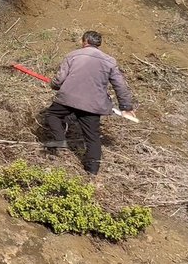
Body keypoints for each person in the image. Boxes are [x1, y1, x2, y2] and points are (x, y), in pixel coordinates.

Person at [44, 30, 137, 176]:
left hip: (69, 98)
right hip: (94, 104)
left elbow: (59, 80)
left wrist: (54, 85)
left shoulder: (73, 55)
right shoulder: (110, 61)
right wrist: (126, 106)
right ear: (98, 44)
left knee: (52, 115)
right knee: (92, 137)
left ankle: (59, 141)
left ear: (84, 41)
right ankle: (92, 171)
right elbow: (120, 85)